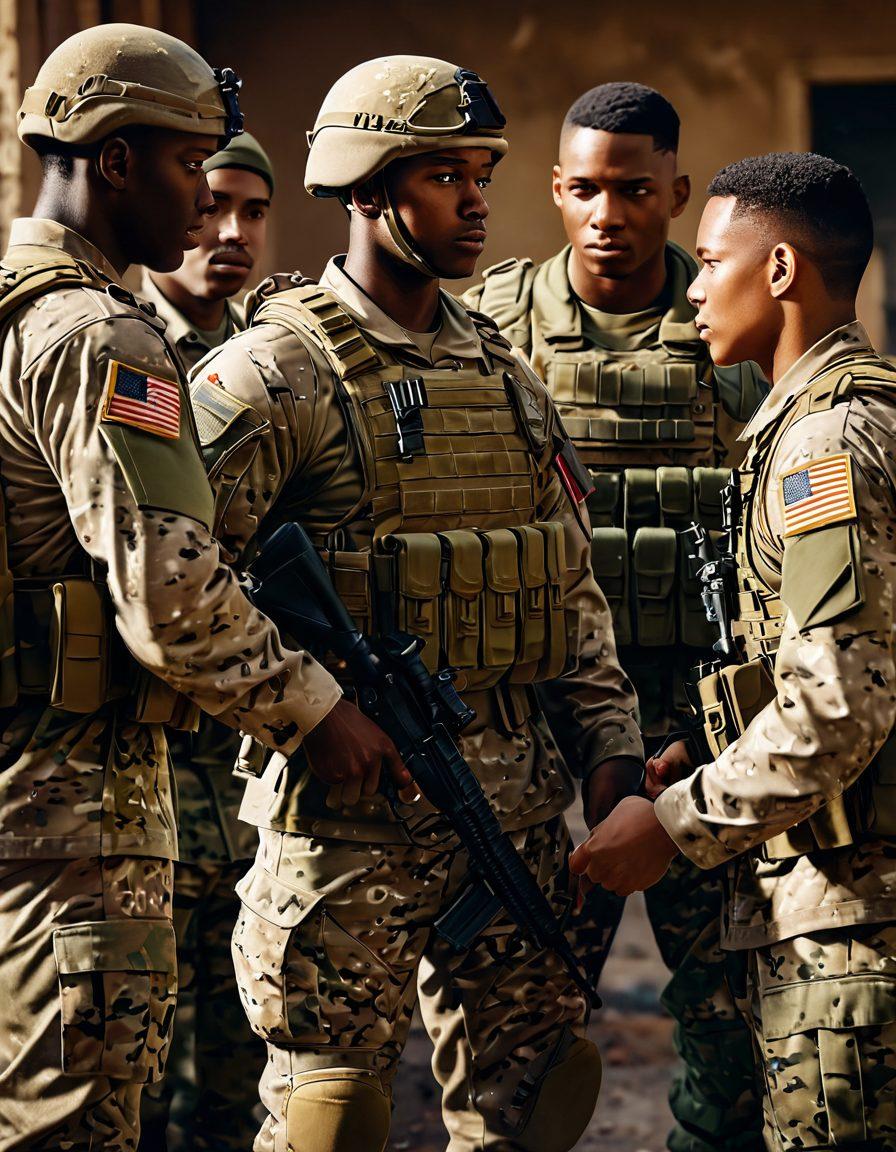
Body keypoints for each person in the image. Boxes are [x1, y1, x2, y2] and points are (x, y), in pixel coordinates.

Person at [191, 55, 643, 1152]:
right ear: (365, 187)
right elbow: (173, 579)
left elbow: (565, 588)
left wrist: (611, 761)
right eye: (443, 173)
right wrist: (309, 709)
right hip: (346, 823)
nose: (476, 198)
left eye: (480, 171)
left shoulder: (505, 374)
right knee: (328, 1117)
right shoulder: (273, 376)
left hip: (516, 816)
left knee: (534, 1106)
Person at [0, 24, 368, 1151]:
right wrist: (319, 712)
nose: (209, 209)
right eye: (182, 169)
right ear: (111, 162)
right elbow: (170, 599)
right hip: (75, 819)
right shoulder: (100, 338)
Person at [572, 151, 896, 1150]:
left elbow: (838, 702)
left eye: (710, 262)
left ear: (783, 271)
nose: (694, 288)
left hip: (850, 925)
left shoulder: (825, 442)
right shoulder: (822, 417)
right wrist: (706, 756)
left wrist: (668, 822)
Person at [464, 81, 765, 1152]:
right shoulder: (493, 327)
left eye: (633, 190)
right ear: (553, 191)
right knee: (517, 1035)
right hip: (541, 728)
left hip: (699, 727)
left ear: (675, 193)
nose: (607, 213)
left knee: (729, 1032)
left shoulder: (738, 323)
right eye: (584, 189)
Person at [137, 130, 275, 1152]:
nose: (230, 233)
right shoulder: (111, 348)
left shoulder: (279, 359)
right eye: (212, 202)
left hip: (253, 759)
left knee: (241, 1051)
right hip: (137, 751)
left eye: (253, 212)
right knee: (131, 1056)